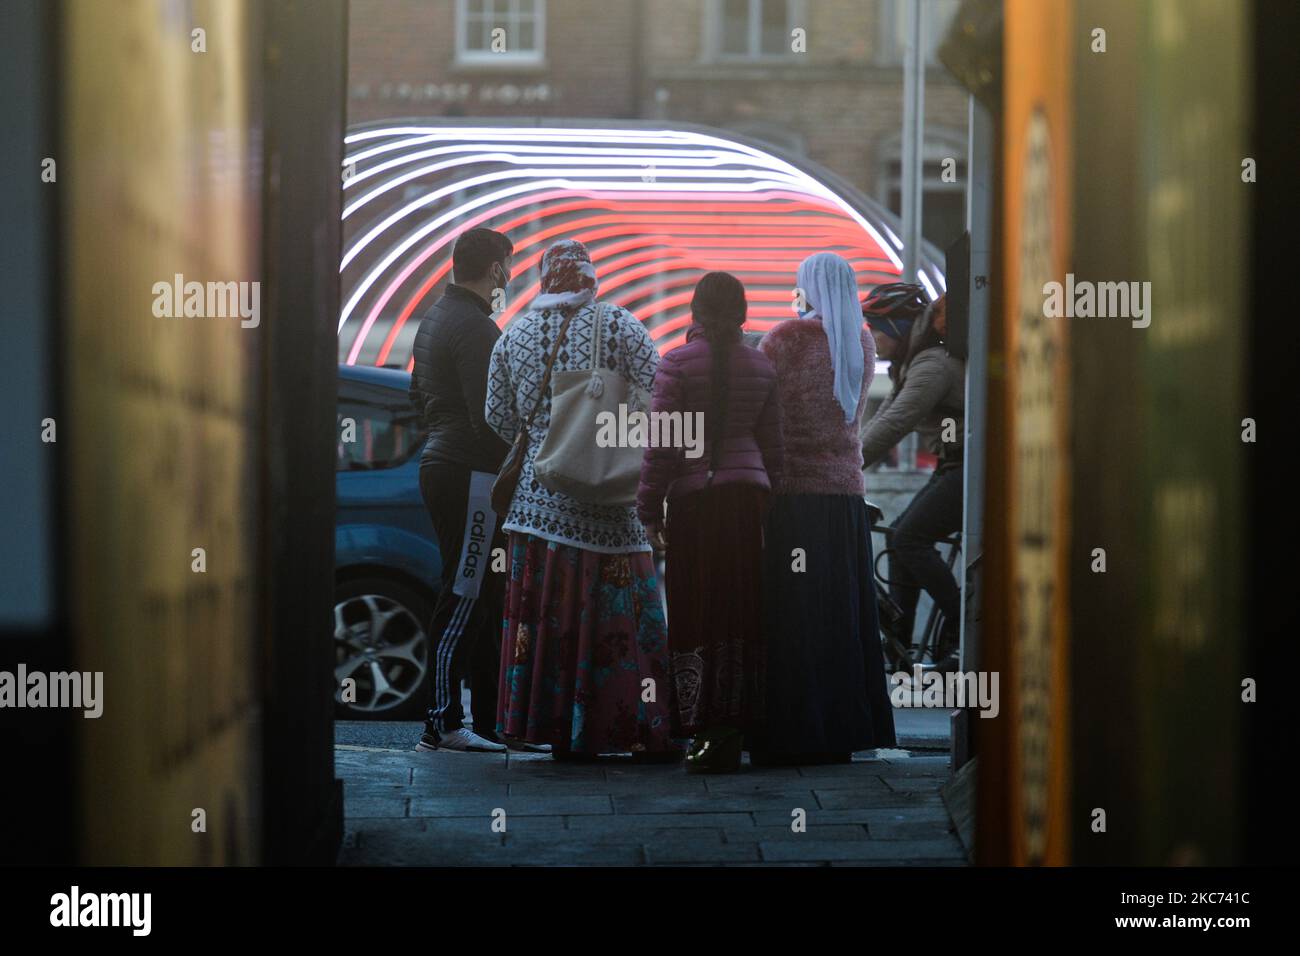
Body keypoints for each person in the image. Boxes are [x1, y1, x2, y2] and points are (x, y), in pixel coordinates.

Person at [485, 239, 678, 760]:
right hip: (612, 506)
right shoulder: (620, 324)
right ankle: (627, 729)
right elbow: (659, 396)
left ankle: (552, 730)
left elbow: (497, 417)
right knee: (618, 624)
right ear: (590, 277)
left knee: (546, 621)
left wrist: (549, 438)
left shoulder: (515, 334)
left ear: (545, 278)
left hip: (535, 503)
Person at [745, 252, 897, 764]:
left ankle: (794, 727)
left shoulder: (784, 339)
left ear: (808, 286)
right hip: (846, 498)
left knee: (794, 612)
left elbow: (757, 407)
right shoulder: (862, 339)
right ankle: (844, 727)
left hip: (794, 495)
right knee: (843, 614)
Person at [637, 272, 784, 774]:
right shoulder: (761, 365)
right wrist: (768, 503)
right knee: (741, 612)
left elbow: (660, 448)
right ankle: (737, 724)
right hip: (743, 504)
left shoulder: (676, 364)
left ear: (695, 311)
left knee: (695, 609)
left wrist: (648, 509)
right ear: (742, 312)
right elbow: (775, 450)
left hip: (695, 506)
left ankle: (698, 728)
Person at [409, 227, 537, 752]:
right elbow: (493, 417)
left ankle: (487, 721)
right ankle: (441, 723)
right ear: (498, 270)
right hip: (472, 473)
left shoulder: (435, 318)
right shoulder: (478, 329)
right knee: (465, 593)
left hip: (446, 462)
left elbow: (419, 396)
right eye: (509, 265)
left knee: (484, 594)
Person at [861, 284, 965, 672]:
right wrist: (843, 458)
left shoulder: (932, 365)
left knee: (909, 539)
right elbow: (881, 418)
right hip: (951, 464)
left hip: (970, 466)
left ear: (899, 326)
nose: (871, 337)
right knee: (902, 535)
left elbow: (894, 424)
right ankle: (901, 651)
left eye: (876, 328)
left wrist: (845, 468)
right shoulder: (913, 364)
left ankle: (963, 628)